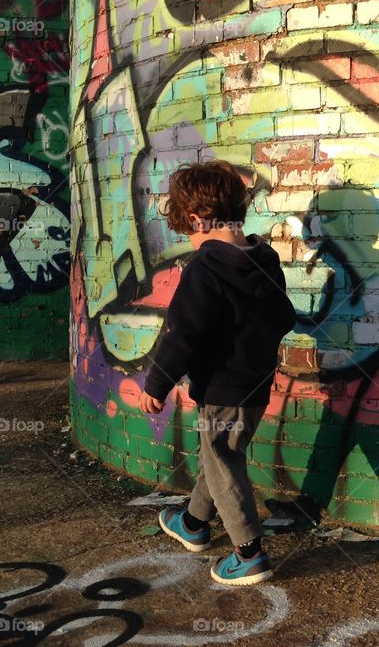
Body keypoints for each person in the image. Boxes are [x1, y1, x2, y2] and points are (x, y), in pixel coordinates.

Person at [138, 160, 297, 586]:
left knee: (222, 459)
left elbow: (182, 336)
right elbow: (285, 317)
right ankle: (193, 522)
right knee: (221, 454)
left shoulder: (205, 271)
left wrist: (158, 382)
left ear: (197, 219)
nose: (190, 241)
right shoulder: (265, 260)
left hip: (223, 387)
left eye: (187, 231)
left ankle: (249, 553)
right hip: (258, 384)